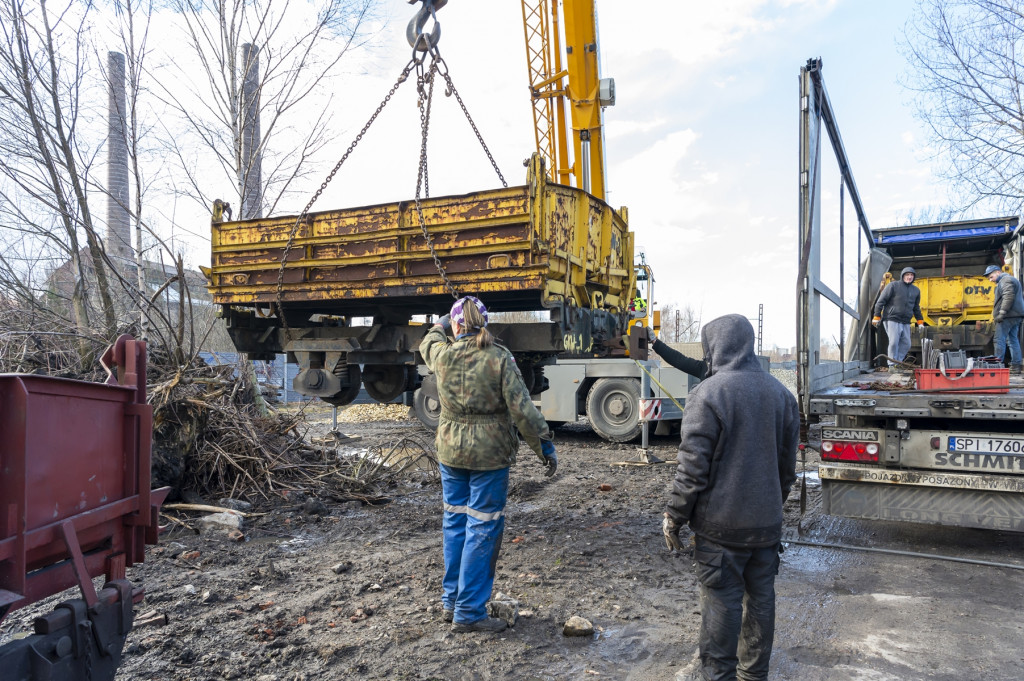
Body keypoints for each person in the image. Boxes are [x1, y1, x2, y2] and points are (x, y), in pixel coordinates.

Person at [662, 314, 799, 681]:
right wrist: (769, 506)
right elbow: (788, 470)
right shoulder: (782, 396)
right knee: (761, 602)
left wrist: (674, 516)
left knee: (721, 613)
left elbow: (692, 470)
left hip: (720, 533)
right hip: (766, 529)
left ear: (714, 348)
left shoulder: (707, 394)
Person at [419, 295, 557, 634]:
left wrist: (438, 325)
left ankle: (451, 603)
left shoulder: (444, 355)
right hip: (490, 455)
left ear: (456, 325)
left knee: (455, 522)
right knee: (482, 527)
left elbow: (428, 343)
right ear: (486, 324)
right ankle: (468, 613)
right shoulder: (499, 358)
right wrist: (544, 447)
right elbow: (523, 410)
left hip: (450, 452)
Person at [871, 266, 924, 369]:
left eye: (911, 275)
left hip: (905, 321)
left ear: (914, 277)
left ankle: (897, 363)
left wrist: (920, 322)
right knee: (894, 342)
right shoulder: (893, 286)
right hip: (892, 318)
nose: (909, 277)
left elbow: (916, 308)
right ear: (903, 275)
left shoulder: (916, 291)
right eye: (907, 275)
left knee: (907, 344)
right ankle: (891, 365)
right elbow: (881, 301)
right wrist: (877, 316)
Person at [985, 264, 1024, 374]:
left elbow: (1008, 296)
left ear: (998, 272)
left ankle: (998, 367)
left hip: (1007, 316)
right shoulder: (1009, 280)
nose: (990, 280)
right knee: (1012, 340)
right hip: (1015, 315)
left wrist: (1001, 313)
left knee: (999, 340)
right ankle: (1016, 366)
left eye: (991, 277)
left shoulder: (1005, 280)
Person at [641, 326, 708, 379]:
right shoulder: (706, 368)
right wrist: (654, 341)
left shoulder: (707, 369)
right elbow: (678, 359)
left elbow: (679, 360)